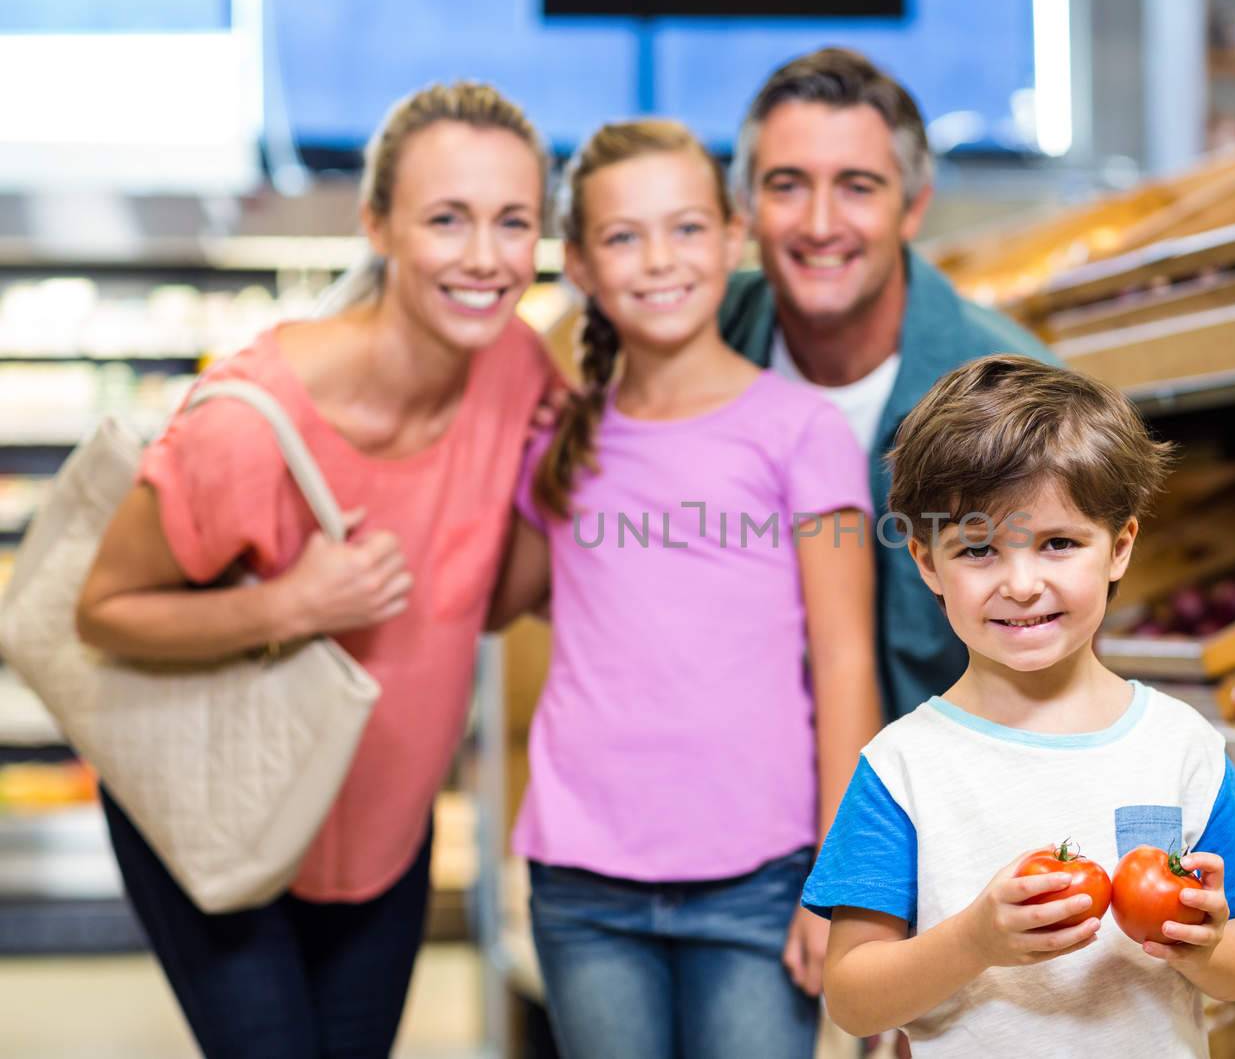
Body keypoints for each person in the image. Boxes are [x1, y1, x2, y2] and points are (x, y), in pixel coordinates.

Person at [75, 82, 557, 1058]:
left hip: (383, 830)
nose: (484, 256)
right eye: (446, 218)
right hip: (215, 817)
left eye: (512, 221)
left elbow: (496, 601)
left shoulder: (520, 371)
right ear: (376, 223)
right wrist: (295, 602)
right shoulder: (250, 423)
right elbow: (103, 610)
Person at [488, 119, 881, 1059]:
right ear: (578, 264)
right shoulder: (560, 441)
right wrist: (494, 414)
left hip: (764, 877)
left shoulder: (802, 432)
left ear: (733, 235)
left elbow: (845, 657)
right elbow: (498, 597)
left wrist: (846, 878)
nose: (659, 260)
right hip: (582, 880)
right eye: (623, 237)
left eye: (687, 229)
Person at [801, 356, 1235, 1056]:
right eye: (978, 548)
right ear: (926, 562)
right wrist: (974, 938)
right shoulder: (903, 768)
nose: (1020, 582)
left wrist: (1204, 943)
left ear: (1119, 547)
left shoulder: (1180, 746)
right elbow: (854, 997)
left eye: (1059, 543)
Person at [721, 47, 1058, 722]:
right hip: (735, 804)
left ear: (912, 209)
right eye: (787, 185)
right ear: (747, 207)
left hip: (944, 812)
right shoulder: (699, 346)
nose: (819, 223)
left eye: (857, 186)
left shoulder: (1013, 396)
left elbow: (1054, 671)